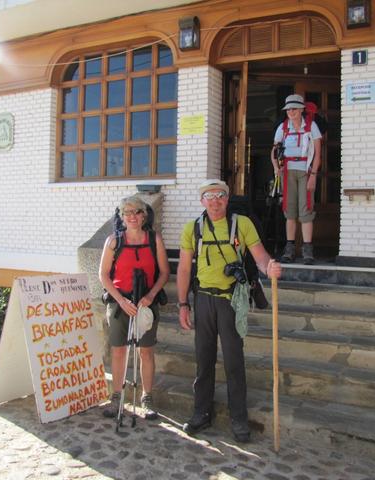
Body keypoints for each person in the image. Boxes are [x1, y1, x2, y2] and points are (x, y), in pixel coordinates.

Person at [176, 179, 282, 443]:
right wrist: (182, 304)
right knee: (204, 359)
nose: (214, 201)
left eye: (220, 195)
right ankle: (201, 412)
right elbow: (185, 269)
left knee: (234, 361)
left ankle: (239, 419)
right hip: (202, 299)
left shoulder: (242, 224)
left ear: (227, 198)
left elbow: (260, 257)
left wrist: (270, 268)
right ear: (202, 201)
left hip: (232, 301)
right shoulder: (193, 229)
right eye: (209, 196)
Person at [98, 195, 169, 420]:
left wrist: (150, 296)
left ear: (143, 215)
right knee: (119, 350)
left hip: (146, 303)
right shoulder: (113, 241)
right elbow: (103, 275)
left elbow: (165, 272)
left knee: (146, 351)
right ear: (121, 217)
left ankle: (146, 398)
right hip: (121, 303)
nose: (132, 217)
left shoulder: (153, 239)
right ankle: (117, 396)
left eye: (136, 212)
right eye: (127, 213)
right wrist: (121, 300)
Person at [270, 94, 322, 264]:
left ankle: (308, 251)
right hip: (288, 172)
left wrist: (313, 175)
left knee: (306, 209)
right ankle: (290, 249)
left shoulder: (311, 126)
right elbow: (275, 151)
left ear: (301, 109)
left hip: (305, 170)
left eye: (294, 109)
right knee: (289, 210)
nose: (290, 112)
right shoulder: (283, 127)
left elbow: (317, 154)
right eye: (288, 109)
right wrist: (276, 168)